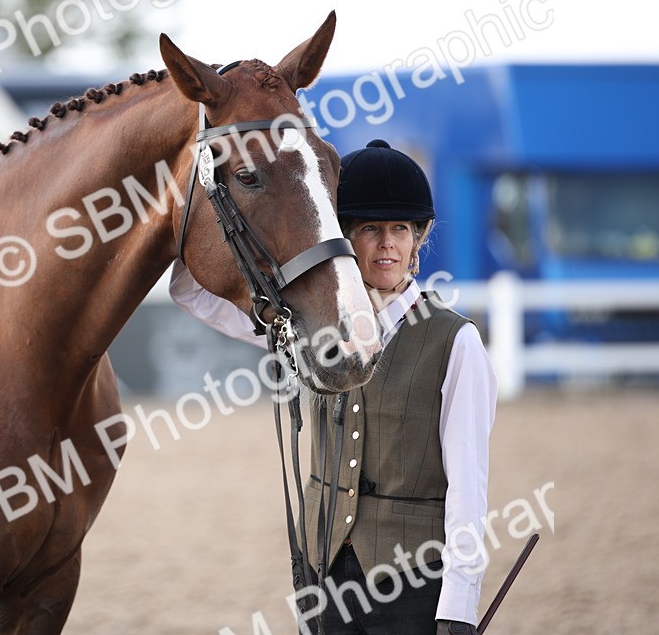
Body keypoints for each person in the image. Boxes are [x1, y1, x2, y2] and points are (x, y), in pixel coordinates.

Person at [170, 139, 497, 635]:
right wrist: (198, 189)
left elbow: (469, 488)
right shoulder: (308, 331)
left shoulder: (457, 341)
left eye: (400, 230)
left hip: (413, 579)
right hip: (324, 570)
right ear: (343, 238)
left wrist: (458, 606)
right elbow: (191, 292)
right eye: (370, 230)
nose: (387, 244)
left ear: (418, 238)